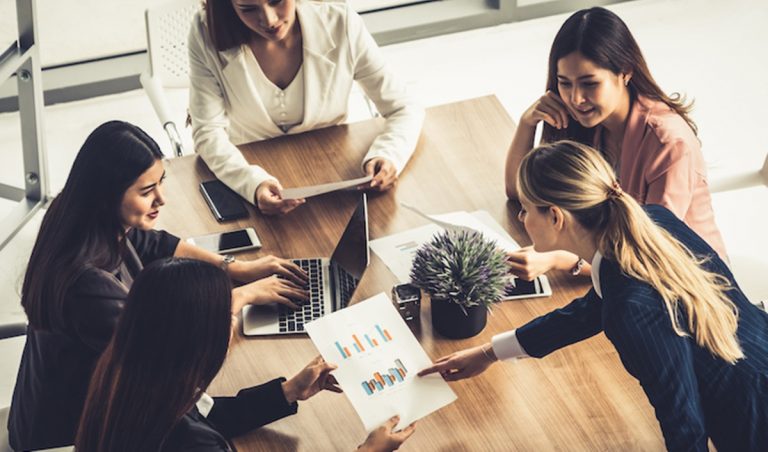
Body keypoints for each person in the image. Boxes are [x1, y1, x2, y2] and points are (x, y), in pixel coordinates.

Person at [420, 141, 768, 451]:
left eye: (526, 209)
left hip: (749, 419)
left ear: (555, 217)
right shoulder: (651, 222)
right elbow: (594, 307)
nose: (522, 218)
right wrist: (490, 352)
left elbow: (683, 421)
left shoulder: (630, 306)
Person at [8, 121, 309, 450]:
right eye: (146, 191)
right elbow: (176, 352)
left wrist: (235, 267)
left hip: (48, 407)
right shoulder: (87, 287)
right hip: (66, 437)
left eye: (160, 183)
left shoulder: (82, 218)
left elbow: (156, 244)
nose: (161, 199)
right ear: (107, 195)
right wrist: (237, 298)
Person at [76, 258, 416, 451]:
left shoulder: (129, 377)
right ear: (201, 340)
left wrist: (288, 392)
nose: (234, 322)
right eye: (228, 316)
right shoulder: (196, 445)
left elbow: (208, 414)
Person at [503, 6, 727, 281]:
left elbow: (649, 252)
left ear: (625, 73)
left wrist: (561, 259)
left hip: (692, 287)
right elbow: (519, 193)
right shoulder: (580, 123)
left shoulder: (669, 143)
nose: (575, 98)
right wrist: (528, 123)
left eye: (589, 83)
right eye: (565, 83)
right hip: (621, 276)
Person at [188, 0, 424, 215]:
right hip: (248, 175)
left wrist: (389, 154)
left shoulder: (341, 23)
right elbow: (208, 133)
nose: (269, 20)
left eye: (276, 1)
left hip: (334, 181)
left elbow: (404, 106)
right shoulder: (204, 32)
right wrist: (252, 183)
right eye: (248, 9)